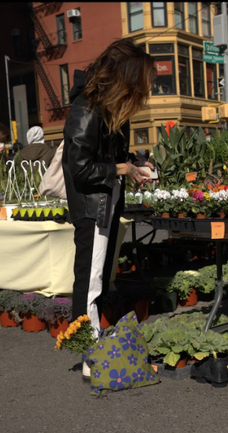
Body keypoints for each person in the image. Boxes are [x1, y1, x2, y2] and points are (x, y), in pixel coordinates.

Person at [62, 38, 156, 353]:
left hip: (106, 202)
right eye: (143, 83)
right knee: (89, 281)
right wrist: (121, 168)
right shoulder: (87, 107)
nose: (146, 91)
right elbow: (79, 167)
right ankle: (88, 351)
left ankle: (93, 344)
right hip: (92, 206)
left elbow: (109, 157)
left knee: (99, 277)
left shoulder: (109, 108)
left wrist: (134, 164)